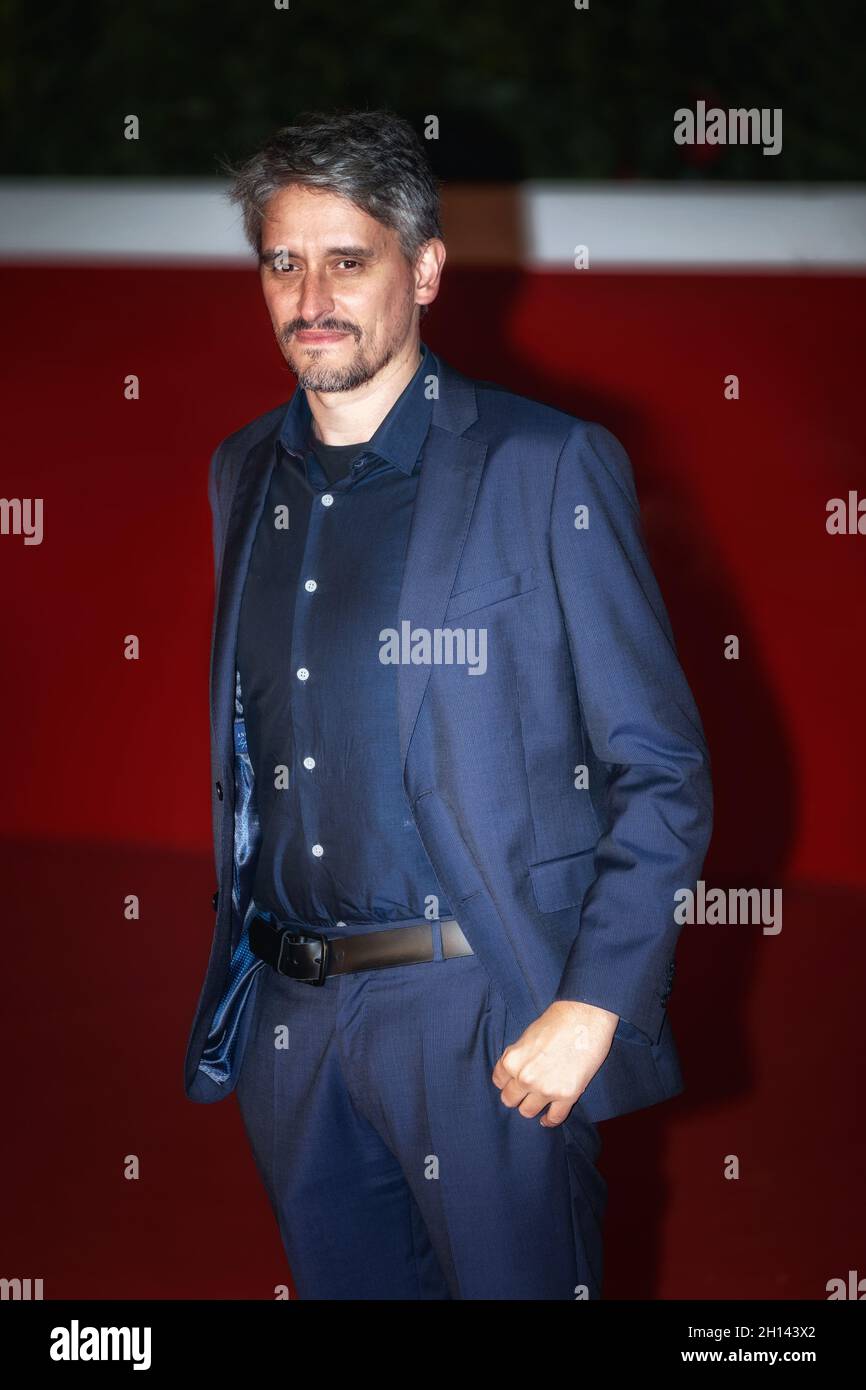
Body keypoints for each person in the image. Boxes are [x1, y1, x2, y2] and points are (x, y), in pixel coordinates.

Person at [183, 108, 713, 1300]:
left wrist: (592, 1001)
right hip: (289, 1019)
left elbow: (660, 767)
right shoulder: (240, 472)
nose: (310, 294)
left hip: (480, 1015)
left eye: (348, 258)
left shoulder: (545, 466)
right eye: (283, 260)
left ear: (421, 267)